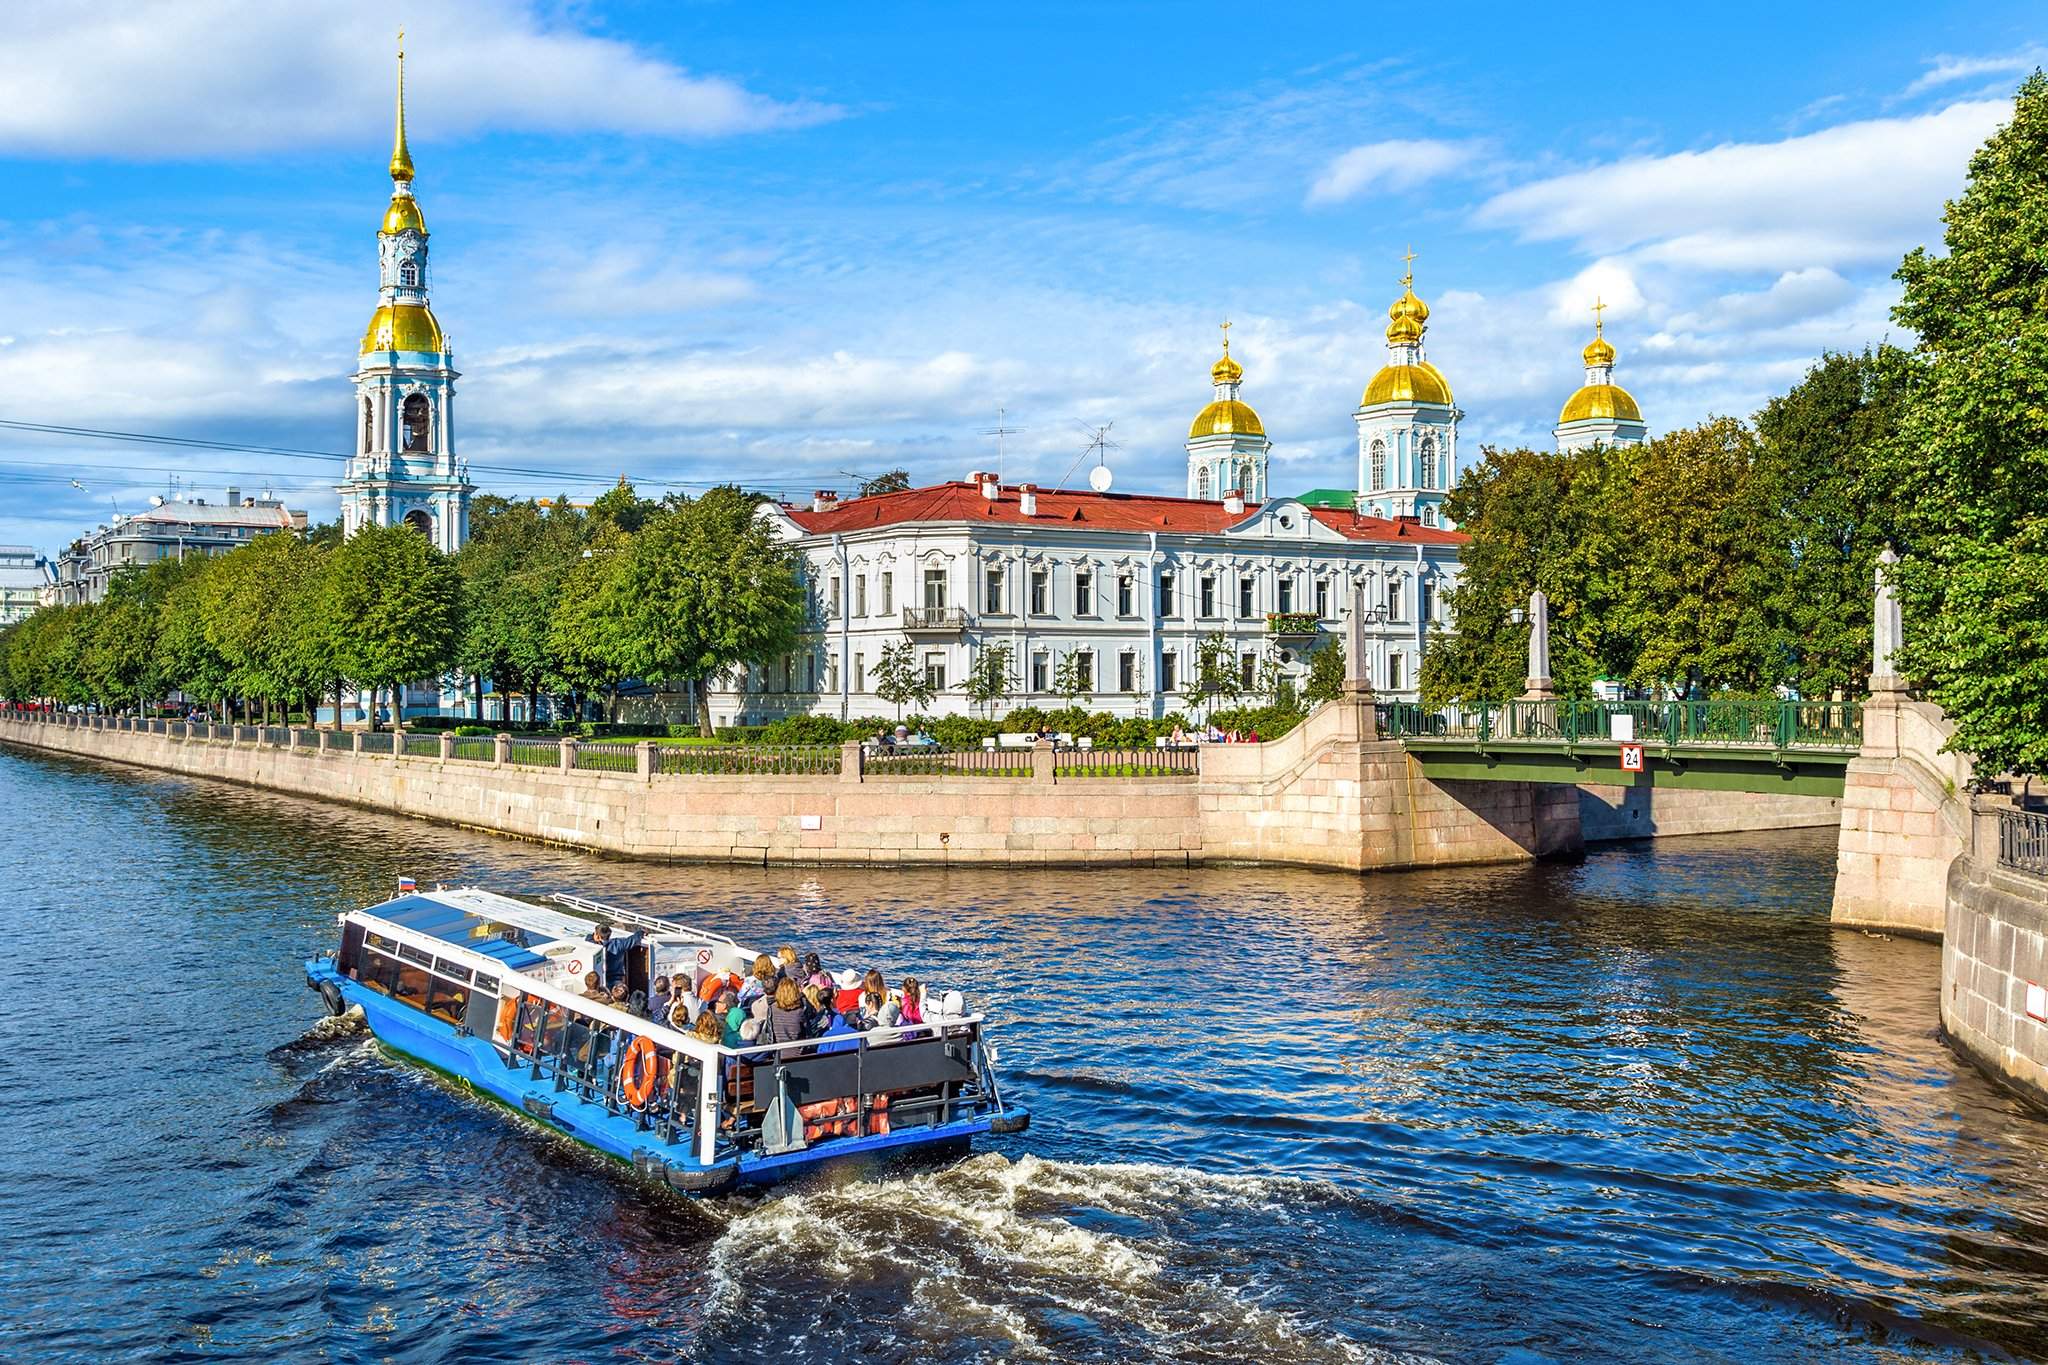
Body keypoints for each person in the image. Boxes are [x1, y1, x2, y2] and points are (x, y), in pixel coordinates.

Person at [762, 978, 807, 1046]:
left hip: (778, 1049)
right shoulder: (800, 1010)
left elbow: (769, 1031)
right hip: (798, 1048)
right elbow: (807, 1031)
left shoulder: (772, 1008)